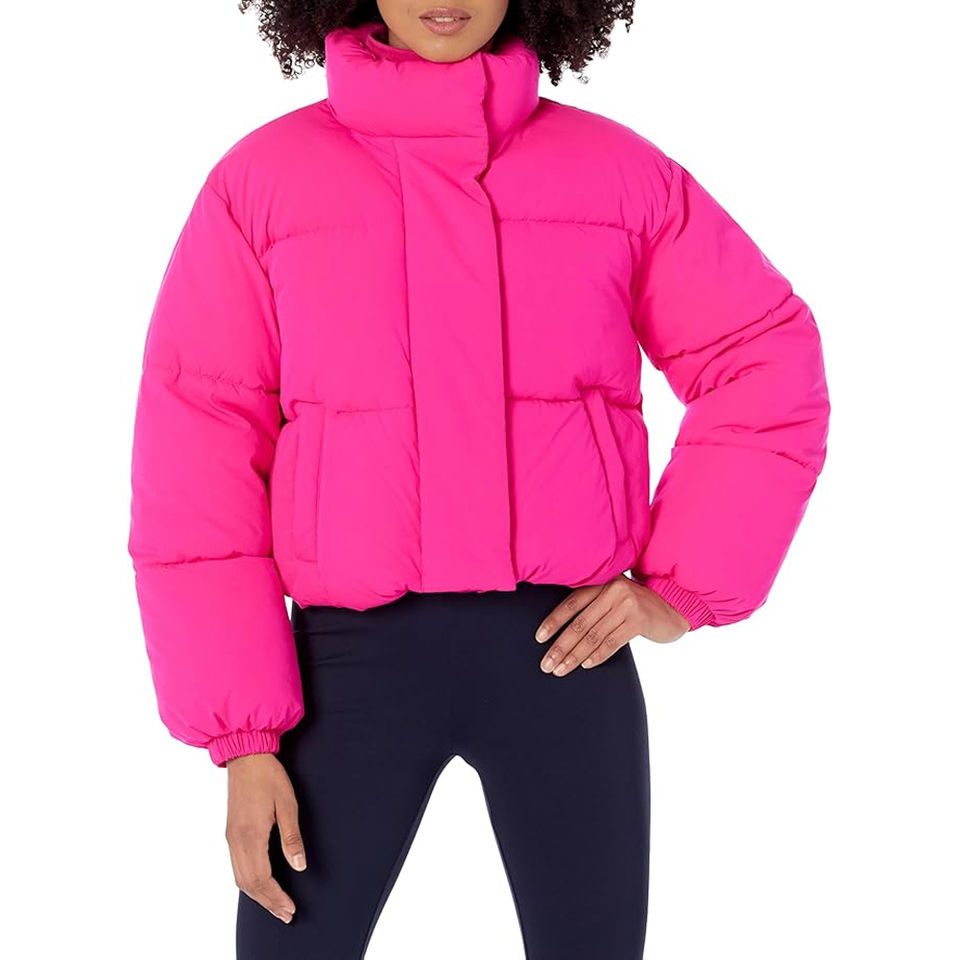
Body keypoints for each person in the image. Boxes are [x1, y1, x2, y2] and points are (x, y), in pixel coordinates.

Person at [126, 2, 831, 957]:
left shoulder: (618, 175)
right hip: (344, 673)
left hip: (563, 651)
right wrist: (243, 736)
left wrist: (682, 586)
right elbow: (197, 453)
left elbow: (762, 357)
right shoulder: (263, 185)